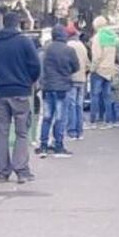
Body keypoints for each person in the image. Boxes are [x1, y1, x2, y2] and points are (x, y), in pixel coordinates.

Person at [0, 12, 41, 183]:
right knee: (22, 132)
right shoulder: (24, 42)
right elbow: (35, 65)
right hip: (21, 91)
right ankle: (21, 170)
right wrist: (28, 80)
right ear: (17, 24)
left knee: (2, 131)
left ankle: (1, 170)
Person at [37, 24, 80, 157]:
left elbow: (41, 66)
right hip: (62, 86)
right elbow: (76, 66)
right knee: (60, 117)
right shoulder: (69, 50)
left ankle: (43, 145)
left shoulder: (46, 49)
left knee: (47, 117)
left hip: (48, 86)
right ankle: (58, 145)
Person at [89, 16, 119, 129]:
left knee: (95, 96)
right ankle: (109, 121)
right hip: (109, 70)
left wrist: (92, 68)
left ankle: (93, 121)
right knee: (107, 96)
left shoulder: (97, 38)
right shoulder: (112, 37)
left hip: (99, 70)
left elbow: (97, 56)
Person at [66, 23, 90, 141]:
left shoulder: (68, 46)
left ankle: (71, 131)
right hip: (82, 79)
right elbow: (87, 63)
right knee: (79, 105)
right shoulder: (81, 46)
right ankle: (80, 131)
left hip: (71, 79)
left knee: (71, 105)